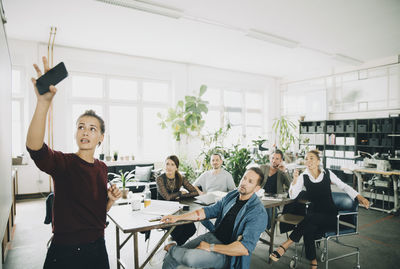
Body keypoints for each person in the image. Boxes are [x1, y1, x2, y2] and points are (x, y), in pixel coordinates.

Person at [26, 56, 122, 269]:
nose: (85, 131)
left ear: (101, 138)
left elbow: (98, 213)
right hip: (65, 251)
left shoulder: (102, 168)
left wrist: (110, 200)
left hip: (98, 247)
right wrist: (43, 103)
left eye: (92, 128)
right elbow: (35, 148)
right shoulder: (64, 163)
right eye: (81, 126)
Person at [270, 150, 370, 269]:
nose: (308, 161)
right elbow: (292, 196)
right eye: (306, 159)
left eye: (311, 158)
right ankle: (313, 262)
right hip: (313, 216)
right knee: (308, 229)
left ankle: (285, 246)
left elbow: (344, 186)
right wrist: (295, 181)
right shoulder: (303, 176)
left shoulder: (327, 173)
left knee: (308, 220)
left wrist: (359, 197)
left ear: (318, 161)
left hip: (330, 216)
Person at [159, 167, 268, 269]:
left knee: (189, 258)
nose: (244, 182)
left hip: (227, 254)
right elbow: (207, 211)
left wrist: (210, 247)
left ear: (257, 188)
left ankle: (170, 247)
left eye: (250, 181)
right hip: (212, 236)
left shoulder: (258, 212)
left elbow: (244, 248)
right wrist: (177, 218)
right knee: (170, 258)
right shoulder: (233, 195)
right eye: (244, 178)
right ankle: (171, 251)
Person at [156, 155, 198, 245]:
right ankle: (174, 247)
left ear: (176, 167)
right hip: (164, 210)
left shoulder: (180, 178)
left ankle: (172, 244)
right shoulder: (160, 179)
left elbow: (195, 192)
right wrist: (179, 193)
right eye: (167, 164)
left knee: (192, 229)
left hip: (177, 209)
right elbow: (167, 197)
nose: (169, 167)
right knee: (178, 229)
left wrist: (182, 196)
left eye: (172, 164)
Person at [260, 149, 291, 229]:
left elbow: (291, 185)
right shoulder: (263, 168)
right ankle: (263, 228)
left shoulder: (282, 172)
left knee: (269, 210)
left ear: (281, 160)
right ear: (269, 158)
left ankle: (267, 229)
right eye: (272, 158)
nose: (274, 160)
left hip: (274, 200)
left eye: (277, 159)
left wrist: (284, 171)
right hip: (261, 197)